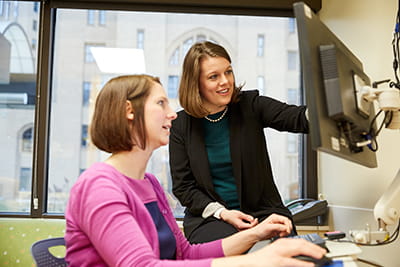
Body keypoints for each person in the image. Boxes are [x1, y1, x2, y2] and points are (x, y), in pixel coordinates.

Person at [64, 74, 325, 266]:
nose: (172, 114)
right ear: (130, 111)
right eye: (161, 104)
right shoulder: (99, 186)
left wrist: (257, 233)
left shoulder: (150, 183)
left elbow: (186, 253)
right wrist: (257, 261)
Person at [169, 41, 309, 244]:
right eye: (213, 77)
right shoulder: (181, 126)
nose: (225, 81)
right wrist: (222, 213)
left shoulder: (251, 106)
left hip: (263, 213)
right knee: (237, 252)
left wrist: (329, 106)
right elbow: (183, 187)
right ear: (196, 83)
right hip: (212, 219)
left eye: (228, 72)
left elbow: (297, 118)